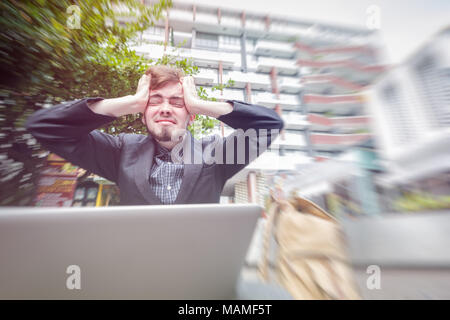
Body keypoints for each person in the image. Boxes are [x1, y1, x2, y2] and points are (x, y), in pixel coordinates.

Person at [26, 65, 284, 205]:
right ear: (141, 112)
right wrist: (129, 102)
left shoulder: (215, 154)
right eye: (155, 100)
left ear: (191, 114)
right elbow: (44, 127)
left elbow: (269, 124)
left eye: (176, 102)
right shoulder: (120, 151)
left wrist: (200, 104)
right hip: (136, 273)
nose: (165, 108)